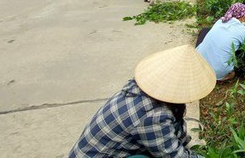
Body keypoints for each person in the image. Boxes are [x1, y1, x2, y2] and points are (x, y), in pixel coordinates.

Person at [69, 45, 215, 158]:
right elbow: (173, 155)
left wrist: (188, 142)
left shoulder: (140, 90)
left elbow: (176, 126)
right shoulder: (154, 115)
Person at [196, 3, 245, 81]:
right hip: (218, 72)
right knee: (236, 48)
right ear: (242, 17)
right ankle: (224, 77)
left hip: (198, 63)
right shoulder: (244, 31)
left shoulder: (220, 21)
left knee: (205, 31)